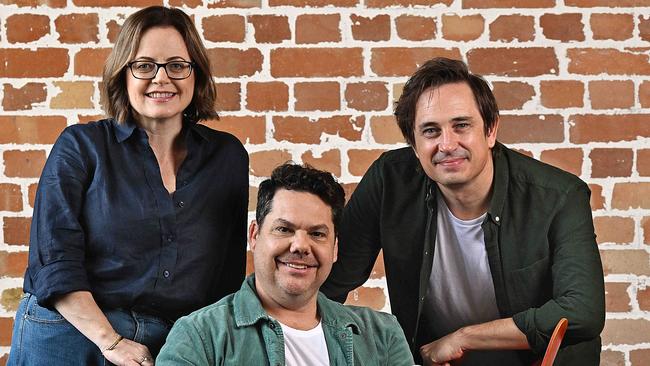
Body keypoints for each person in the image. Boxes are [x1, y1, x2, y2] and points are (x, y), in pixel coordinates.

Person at [321, 57, 605, 365]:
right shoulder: (390, 182)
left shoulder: (559, 197)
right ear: (414, 146)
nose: (447, 144)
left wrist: (464, 337)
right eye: (430, 131)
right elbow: (328, 282)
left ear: (491, 129)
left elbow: (582, 312)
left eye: (462, 125)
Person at [8, 6, 248, 366]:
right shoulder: (81, 146)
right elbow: (53, 261)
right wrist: (112, 341)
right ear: (124, 74)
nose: (161, 78)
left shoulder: (227, 157)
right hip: (69, 331)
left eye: (177, 65)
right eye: (145, 65)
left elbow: (225, 281)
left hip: (165, 345)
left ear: (195, 73)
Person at [156, 163, 414, 365]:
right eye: (284, 229)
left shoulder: (382, 335)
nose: (300, 246)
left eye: (317, 234)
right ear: (254, 235)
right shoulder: (199, 337)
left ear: (334, 248)